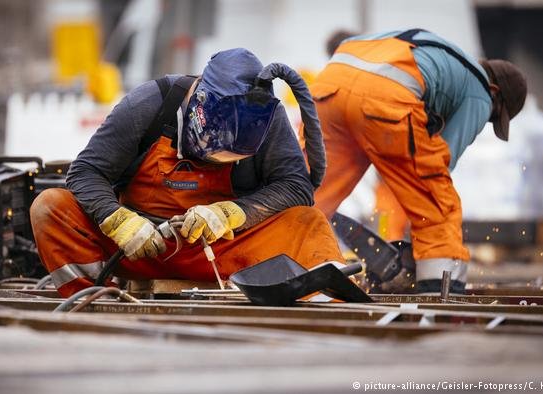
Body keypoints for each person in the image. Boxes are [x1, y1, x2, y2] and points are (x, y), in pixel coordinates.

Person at [30, 48, 343, 297]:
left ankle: (329, 307)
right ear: (199, 105)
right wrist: (118, 220)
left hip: (224, 251)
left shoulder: (268, 117)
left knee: (308, 221)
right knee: (51, 207)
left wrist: (231, 213)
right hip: (138, 250)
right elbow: (85, 171)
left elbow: (298, 187)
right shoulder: (149, 105)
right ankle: (93, 300)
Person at [310, 29, 527, 293]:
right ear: (495, 93)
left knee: (311, 190)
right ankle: (439, 283)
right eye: (492, 117)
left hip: (331, 83)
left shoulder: (445, 62)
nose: (486, 120)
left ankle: (286, 261)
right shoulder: (481, 89)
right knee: (438, 199)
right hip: (382, 96)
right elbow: (440, 163)